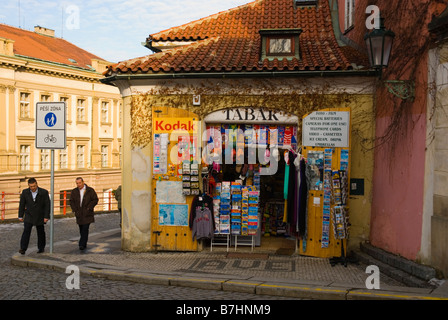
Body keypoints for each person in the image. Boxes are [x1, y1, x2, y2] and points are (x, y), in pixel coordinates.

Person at [18, 178, 50, 254]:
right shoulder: (25, 192)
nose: (33, 188)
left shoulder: (44, 192)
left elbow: (47, 205)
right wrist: (20, 215)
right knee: (26, 231)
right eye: (31, 186)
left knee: (41, 232)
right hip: (29, 215)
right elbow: (22, 204)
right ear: (29, 186)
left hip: (40, 215)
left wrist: (46, 216)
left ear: (37, 184)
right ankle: (23, 248)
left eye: (34, 186)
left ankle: (41, 248)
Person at [69, 177, 98, 251]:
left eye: (79, 183)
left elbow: (95, 199)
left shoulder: (90, 190)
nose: (78, 185)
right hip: (79, 213)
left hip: (87, 213)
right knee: (81, 229)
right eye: (77, 183)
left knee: (85, 228)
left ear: (83, 182)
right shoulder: (74, 191)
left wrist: (89, 207)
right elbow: (71, 201)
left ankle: (82, 244)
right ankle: (83, 243)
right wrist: (75, 209)